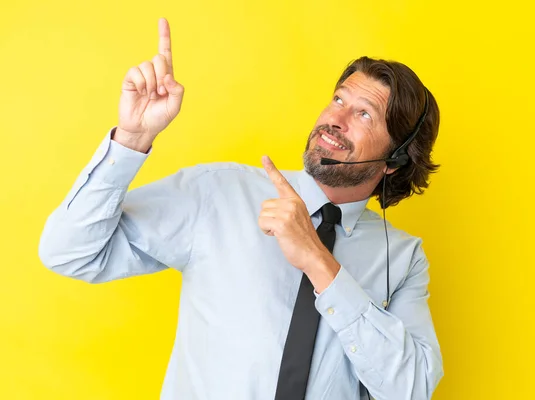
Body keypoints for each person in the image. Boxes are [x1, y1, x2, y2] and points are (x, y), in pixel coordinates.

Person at [39, 17, 443, 400]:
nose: (334, 119)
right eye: (338, 99)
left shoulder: (404, 258)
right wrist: (130, 138)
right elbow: (70, 254)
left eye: (363, 113)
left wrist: (321, 264)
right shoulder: (220, 190)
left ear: (396, 159)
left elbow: (410, 389)